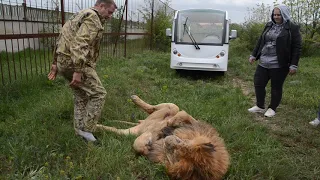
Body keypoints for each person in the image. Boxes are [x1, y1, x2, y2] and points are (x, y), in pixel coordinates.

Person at [47, 0, 117, 142]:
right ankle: (87, 130)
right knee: (99, 94)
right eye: (109, 12)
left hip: (64, 61)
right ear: (101, 6)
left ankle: (79, 130)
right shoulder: (93, 17)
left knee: (81, 95)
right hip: (74, 63)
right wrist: (78, 71)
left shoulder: (79, 14)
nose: (110, 16)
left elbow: (62, 36)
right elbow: (80, 44)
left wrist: (55, 63)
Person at [247, 4, 302, 117]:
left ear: (284, 15)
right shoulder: (269, 25)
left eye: (279, 15)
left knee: (276, 87)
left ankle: (272, 108)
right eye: (274, 14)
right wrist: (254, 55)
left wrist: (293, 65)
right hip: (263, 61)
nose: (276, 17)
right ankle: (260, 106)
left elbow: (297, 47)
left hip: (279, 63)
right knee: (258, 83)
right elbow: (261, 41)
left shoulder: (292, 28)